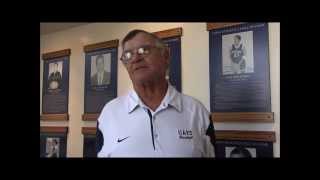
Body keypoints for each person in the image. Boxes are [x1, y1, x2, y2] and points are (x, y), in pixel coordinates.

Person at [97, 29, 215, 157]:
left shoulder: (197, 112)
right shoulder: (108, 114)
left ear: (165, 56)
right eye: (128, 55)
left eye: (144, 50)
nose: (136, 58)